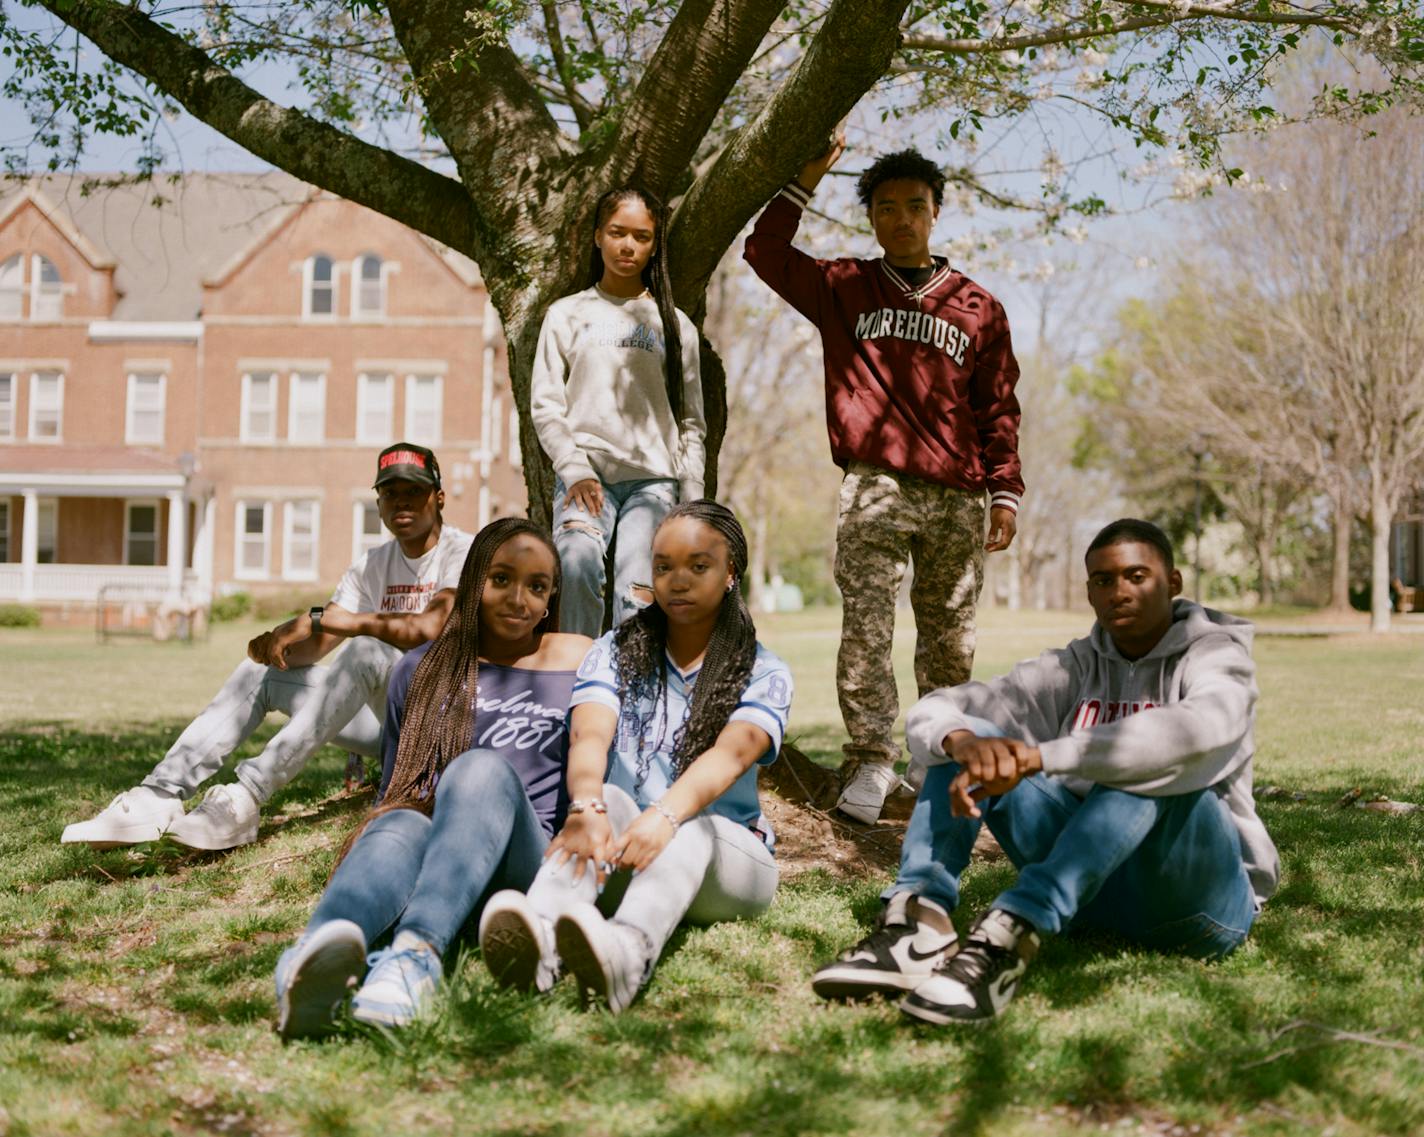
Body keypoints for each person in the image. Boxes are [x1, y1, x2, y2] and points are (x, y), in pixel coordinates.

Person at [812, 519, 1279, 1025]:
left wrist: (1041, 756)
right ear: (1089, 592)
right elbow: (941, 707)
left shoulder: (1218, 657)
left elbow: (1193, 731)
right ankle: (919, 924)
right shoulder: (1077, 665)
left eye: (1137, 576)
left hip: (1199, 907)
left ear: (1173, 583)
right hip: (1092, 891)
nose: (1119, 591)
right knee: (970, 736)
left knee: (1152, 765)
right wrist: (965, 741)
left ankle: (1010, 936)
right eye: (1103, 580)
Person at [744, 140, 1024, 825]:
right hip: (874, 483)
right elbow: (766, 253)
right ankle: (870, 759)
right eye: (887, 207)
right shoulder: (843, 286)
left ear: (936, 213)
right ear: (870, 216)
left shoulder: (977, 306)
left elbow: (998, 403)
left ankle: (937, 757)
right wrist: (801, 179)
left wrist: (1005, 489)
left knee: (949, 637)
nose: (902, 219)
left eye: (916, 207)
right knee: (866, 625)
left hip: (957, 493)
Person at [62, 443, 471, 852]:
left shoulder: (462, 550)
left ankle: (246, 797)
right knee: (262, 672)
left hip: (442, 724)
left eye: (414, 491)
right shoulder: (371, 566)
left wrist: (325, 620)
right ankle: (158, 795)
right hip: (386, 724)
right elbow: (320, 642)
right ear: (378, 502)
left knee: (365, 649)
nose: (402, 502)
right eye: (390, 493)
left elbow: (432, 625)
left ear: (438, 497)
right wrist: (279, 648)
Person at [273, 518, 590, 1037]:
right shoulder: (423, 668)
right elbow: (398, 785)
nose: (519, 599)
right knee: (399, 818)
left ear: (553, 595)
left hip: (526, 874)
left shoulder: (579, 659)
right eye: (501, 579)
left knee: (481, 769)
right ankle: (313, 958)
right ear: (473, 583)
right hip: (441, 864)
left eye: (537, 587)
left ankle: (415, 958)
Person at [476, 501, 793, 1013]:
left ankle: (628, 952)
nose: (677, 580)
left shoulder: (764, 670)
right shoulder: (615, 650)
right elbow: (590, 736)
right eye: (663, 567)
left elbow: (732, 754)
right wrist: (585, 806)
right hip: (632, 852)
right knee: (607, 798)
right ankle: (539, 935)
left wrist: (665, 816)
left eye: (698, 566)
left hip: (727, 864)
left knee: (693, 826)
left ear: (731, 571)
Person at [529, 185, 707, 639]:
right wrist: (573, 470)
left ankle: (627, 700)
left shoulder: (673, 323)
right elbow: (546, 405)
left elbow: (690, 421)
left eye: (642, 237)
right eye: (617, 233)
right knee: (576, 564)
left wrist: (692, 499)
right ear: (597, 237)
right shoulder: (566, 315)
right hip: (585, 477)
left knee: (636, 592)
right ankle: (576, 691)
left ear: (653, 246)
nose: (628, 246)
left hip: (653, 481)